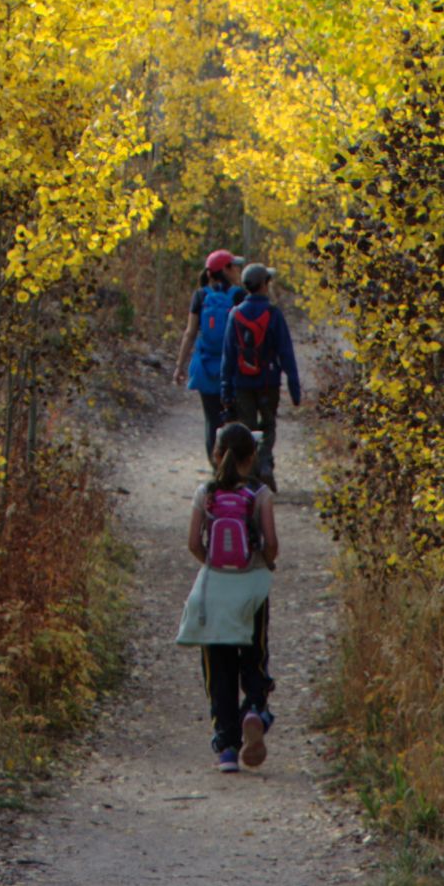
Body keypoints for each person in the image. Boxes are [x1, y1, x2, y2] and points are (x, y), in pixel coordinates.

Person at [175, 421, 277, 772]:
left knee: (217, 664)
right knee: (254, 654)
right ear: (253, 457)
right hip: (251, 589)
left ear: (216, 455)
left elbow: (192, 543)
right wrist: (263, 564)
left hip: (215, 590)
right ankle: (254, 710)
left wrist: (214, 566)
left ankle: (227, 747)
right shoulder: (259, 495)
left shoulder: (205, 493)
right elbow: (271, 544)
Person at [220, 262, 300, 493]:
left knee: (247, 429)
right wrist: (294, 388)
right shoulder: (273, 314)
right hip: (268, 382)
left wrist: (226, 390)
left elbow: (228, 355)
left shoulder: (235, 314)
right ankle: (264, 462)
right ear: (264, 285)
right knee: (268, 427)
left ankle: (251, 474)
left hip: (242, 383)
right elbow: (286, 352)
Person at [173, 250, 244, 462]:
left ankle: (216, 469)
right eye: (233, 266)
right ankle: (235, 469)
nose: (237, 270)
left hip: (204, 366)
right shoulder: (238, 296)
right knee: (234, 420)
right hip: (233, 368)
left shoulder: (200, 295)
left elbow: (190, 332)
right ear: (225, 270)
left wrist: (180, 366)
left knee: (211, 421)